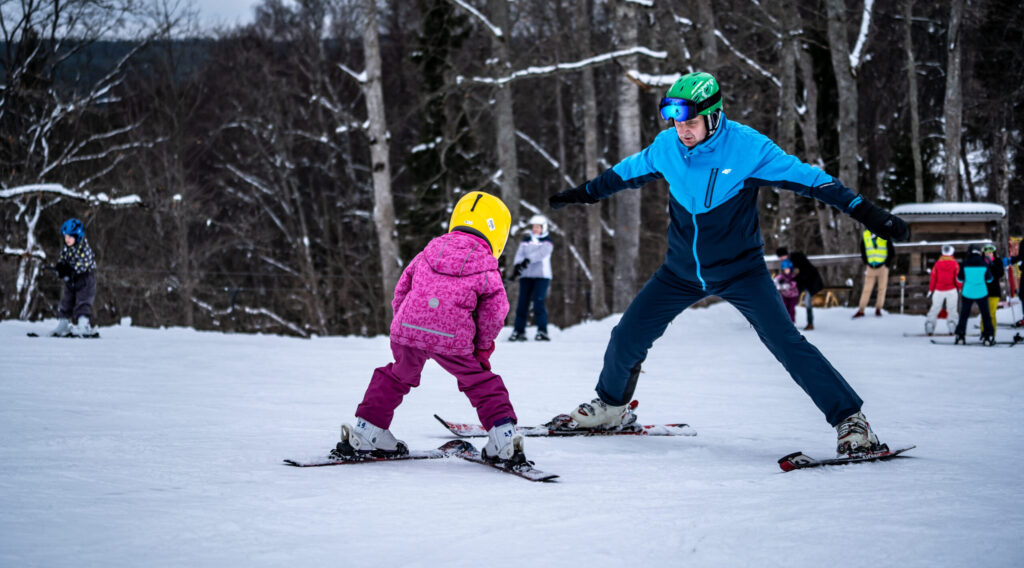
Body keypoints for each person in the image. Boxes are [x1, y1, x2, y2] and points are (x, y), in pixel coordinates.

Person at [547, 71, 909, 456]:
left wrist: (867, 212)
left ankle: (851, 421)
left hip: (741, 272)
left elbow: (812, 180)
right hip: (680, 273)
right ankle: (611, 408)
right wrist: (585, 193)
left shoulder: (747, 148)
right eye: (676, 121)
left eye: (691, 122)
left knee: (786, 342)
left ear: (714, 115)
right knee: (627, 334)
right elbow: (625, 172)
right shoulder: (667, 146)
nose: (682, 130)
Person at [335, 191, 530, 467]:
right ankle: (503, 438)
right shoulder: (487, 266)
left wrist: (402, 329)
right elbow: (495, 312)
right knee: (481, 382)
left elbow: (402, 288)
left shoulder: (428, 251)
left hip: (410, 327)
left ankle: (367, 431)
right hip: (454, 338)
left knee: (395, 376)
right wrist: (482, 347)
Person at [508, 214, 555, 342]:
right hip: (526, 276)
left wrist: (527, 260)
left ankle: (542, 331)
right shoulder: (526, 240)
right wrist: (518, 266)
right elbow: (519, 254)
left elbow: (541, 254)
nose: (535, 229)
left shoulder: (547, 242)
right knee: (522, 303)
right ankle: (518, 331)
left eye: (538, 227)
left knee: (538, 303)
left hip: (542, 276)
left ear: (543, 228)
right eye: (534, 227)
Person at [50, 218, 98, 337]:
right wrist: (60, 268)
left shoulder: (84, 249)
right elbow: (62, 259)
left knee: (83, 301)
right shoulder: (67, 249)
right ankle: (64, 323)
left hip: (85, 279)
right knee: (66, 301)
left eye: (70, 237)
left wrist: (71, 269)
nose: (67, 240)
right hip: (71, 280)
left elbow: (85, 263)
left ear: (78, 236)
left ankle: (84, 324)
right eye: (66, 236)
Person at [953, 246, 994, 346]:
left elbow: (959, 279)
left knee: (964, 315)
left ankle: (960, 336)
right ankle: (988, 337)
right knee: (985, 315)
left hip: (968, 292)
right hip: (982, 293)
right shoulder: (984, 263)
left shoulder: (965, 263)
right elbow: (989, 279)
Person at [776, 246, 824, 330]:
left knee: (807, 301)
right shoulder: (787, 262)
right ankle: (789, 322)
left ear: (785, 254)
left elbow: (805, 272)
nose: (781, 259)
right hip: (800, 284)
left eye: (781, 257)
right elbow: (788, 275)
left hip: (810, 282)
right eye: (780, 258)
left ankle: (810, 323)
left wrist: (793, 278)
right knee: (790, 301)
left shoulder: (797, 257)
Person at [853, 229, 895, 318]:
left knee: (882, 289)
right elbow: (863, 249)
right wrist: (866, 262)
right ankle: (861, 310)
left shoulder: (885, 234)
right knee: (867, 289)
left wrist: (886, 264)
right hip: (870, 267)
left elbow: (891, 250)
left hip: (883, 266)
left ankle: (878, 309)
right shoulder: (866, 235)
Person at [924, 244, 961, 336]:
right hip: (951, 290)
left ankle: (929, 325)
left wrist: (931, 289)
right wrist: (959, 287)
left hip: (938, 290)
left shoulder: (937, 264)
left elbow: (933, 278)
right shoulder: (955, 264)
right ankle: (952, 326)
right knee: (952, 309)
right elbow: (957, 278)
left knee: (935, 308)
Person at [982, 243, 1004, 336]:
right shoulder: (981, 262)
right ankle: (983, 333)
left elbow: (1000, 274)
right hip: (983, 291)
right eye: (987, 253)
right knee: (984, 314)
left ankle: (991, 333)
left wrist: (992, 265)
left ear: (994, 253)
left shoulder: (998, 261)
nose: (989, 254)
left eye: (991, 253)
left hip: (994, 291)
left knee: (991, 314)